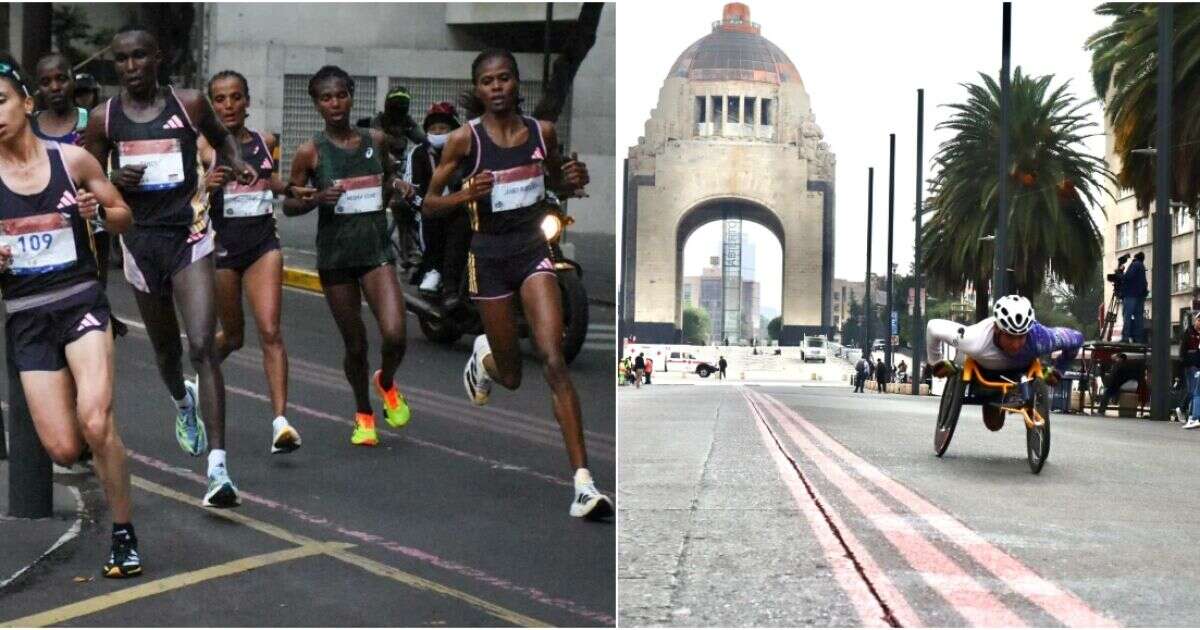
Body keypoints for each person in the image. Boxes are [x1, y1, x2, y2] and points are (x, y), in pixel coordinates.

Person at [422, 49, 610, 519]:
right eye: (487, 82)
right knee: (511, 375)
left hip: (532, 252)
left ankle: (584, 485)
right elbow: (429, 204)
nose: (497, 87)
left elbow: (556, 182)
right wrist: (467, 194)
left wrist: (573, 178)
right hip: (487, 259)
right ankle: (484, 358)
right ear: (479, 89)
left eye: (504, 78)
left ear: (516, 82)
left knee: (552, 358)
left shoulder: (542, 132)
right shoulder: (465, 142)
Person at [84, 26, 260, 507]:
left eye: (140, 56)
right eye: (122, 60)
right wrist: (112, 181)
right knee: (166, 353)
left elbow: (225, 141)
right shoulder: (105, 119)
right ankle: (184, 403)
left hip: (190, 236)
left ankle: (219, 470)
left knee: (203, 344)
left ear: (156, 58)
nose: (131, 67)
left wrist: (239, 163)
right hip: (140, 245)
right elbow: (87, 179)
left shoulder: (189, 104)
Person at [0, 56, 140, 577]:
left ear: (26, 103)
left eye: (1, 101)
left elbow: (123, 214)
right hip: (27, 315)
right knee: (63, 446)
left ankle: (123, 532)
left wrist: (99, 215)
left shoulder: (73, 161)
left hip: (80, 300)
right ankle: (103, 449)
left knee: (96, 419)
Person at [284, 65, 414, 447]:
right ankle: (363, 413)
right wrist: (315, 199)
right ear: (317, 104)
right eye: (326, 97)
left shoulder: (375, 139)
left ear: (351, 95)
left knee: (395, 334)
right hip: (336, 259)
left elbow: (386, 180)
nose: (335, 103)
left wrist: (398, 186)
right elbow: (290, 203)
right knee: (355, 344)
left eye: (340, 94)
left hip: (376, 253)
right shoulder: (310, 152)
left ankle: (386, 382)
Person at [199, 70, 308, 454]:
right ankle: (201, 374)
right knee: (233, 335)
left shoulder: (265, 141)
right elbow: (183, 192)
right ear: (212, 105)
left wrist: (292, 189)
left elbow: (267, 179)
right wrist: (204, 185)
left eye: (235, 97)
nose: (228, 105)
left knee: (271, 330)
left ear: (247, 101)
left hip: (263, 243)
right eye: (221, 99)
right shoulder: (203, 147)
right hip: (223, 249)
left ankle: (281, 422)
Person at [32, 54, 126, 335]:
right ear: (38, 89)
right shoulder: (29, 127)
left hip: (89, 219)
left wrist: (112, 177)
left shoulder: (93, 120)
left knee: (93, 286)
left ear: (73, 80)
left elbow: (114, 165)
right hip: (47, 222)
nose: (56, 87)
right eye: (46, 82)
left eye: (62, 78)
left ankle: (99, 319)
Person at [926, 295, 1083, 430]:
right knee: (993, 425)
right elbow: (933, 327)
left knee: (1038, 366)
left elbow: (1077, 339)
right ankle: (958, 368)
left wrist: (1059, 369)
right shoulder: (974, 339)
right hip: (985, 371)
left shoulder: (1041, 338)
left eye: (1021, 337)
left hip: (1023, 369)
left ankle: (1039, 373)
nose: (1015, 344)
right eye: (1009, 336)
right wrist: (935, 362)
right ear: (996, 329)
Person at [405, 102, 470, 301]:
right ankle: (435, 272)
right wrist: (424, 204)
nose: (438, 132)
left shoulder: (466, 151)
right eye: (433, 128)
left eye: (443, 128)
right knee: (430, 219)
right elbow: (413, 187)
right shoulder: (418, 153)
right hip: (431, 210)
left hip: (464, 207)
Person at [1121, 251, 1148, 343]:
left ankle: (1125, 338)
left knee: (1127, 316)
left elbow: (1128, 276)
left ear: (1135, 258)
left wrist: (1121, 274)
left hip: (1130, 295)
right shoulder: (1142, 267)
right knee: (1138, 318)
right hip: (1140, 296)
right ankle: (1138, 338)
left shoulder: (1135, 264)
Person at [1179, 317, 1200, 427]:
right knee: (1193, 391)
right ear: (1195, 321)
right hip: (1191, 365)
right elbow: (1182, 349)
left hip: (1197, 365)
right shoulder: (1188, 332)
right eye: (1199, 320)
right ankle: (1184, 410)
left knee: (1196, 392)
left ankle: (1190, 414)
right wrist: (1184, 361)